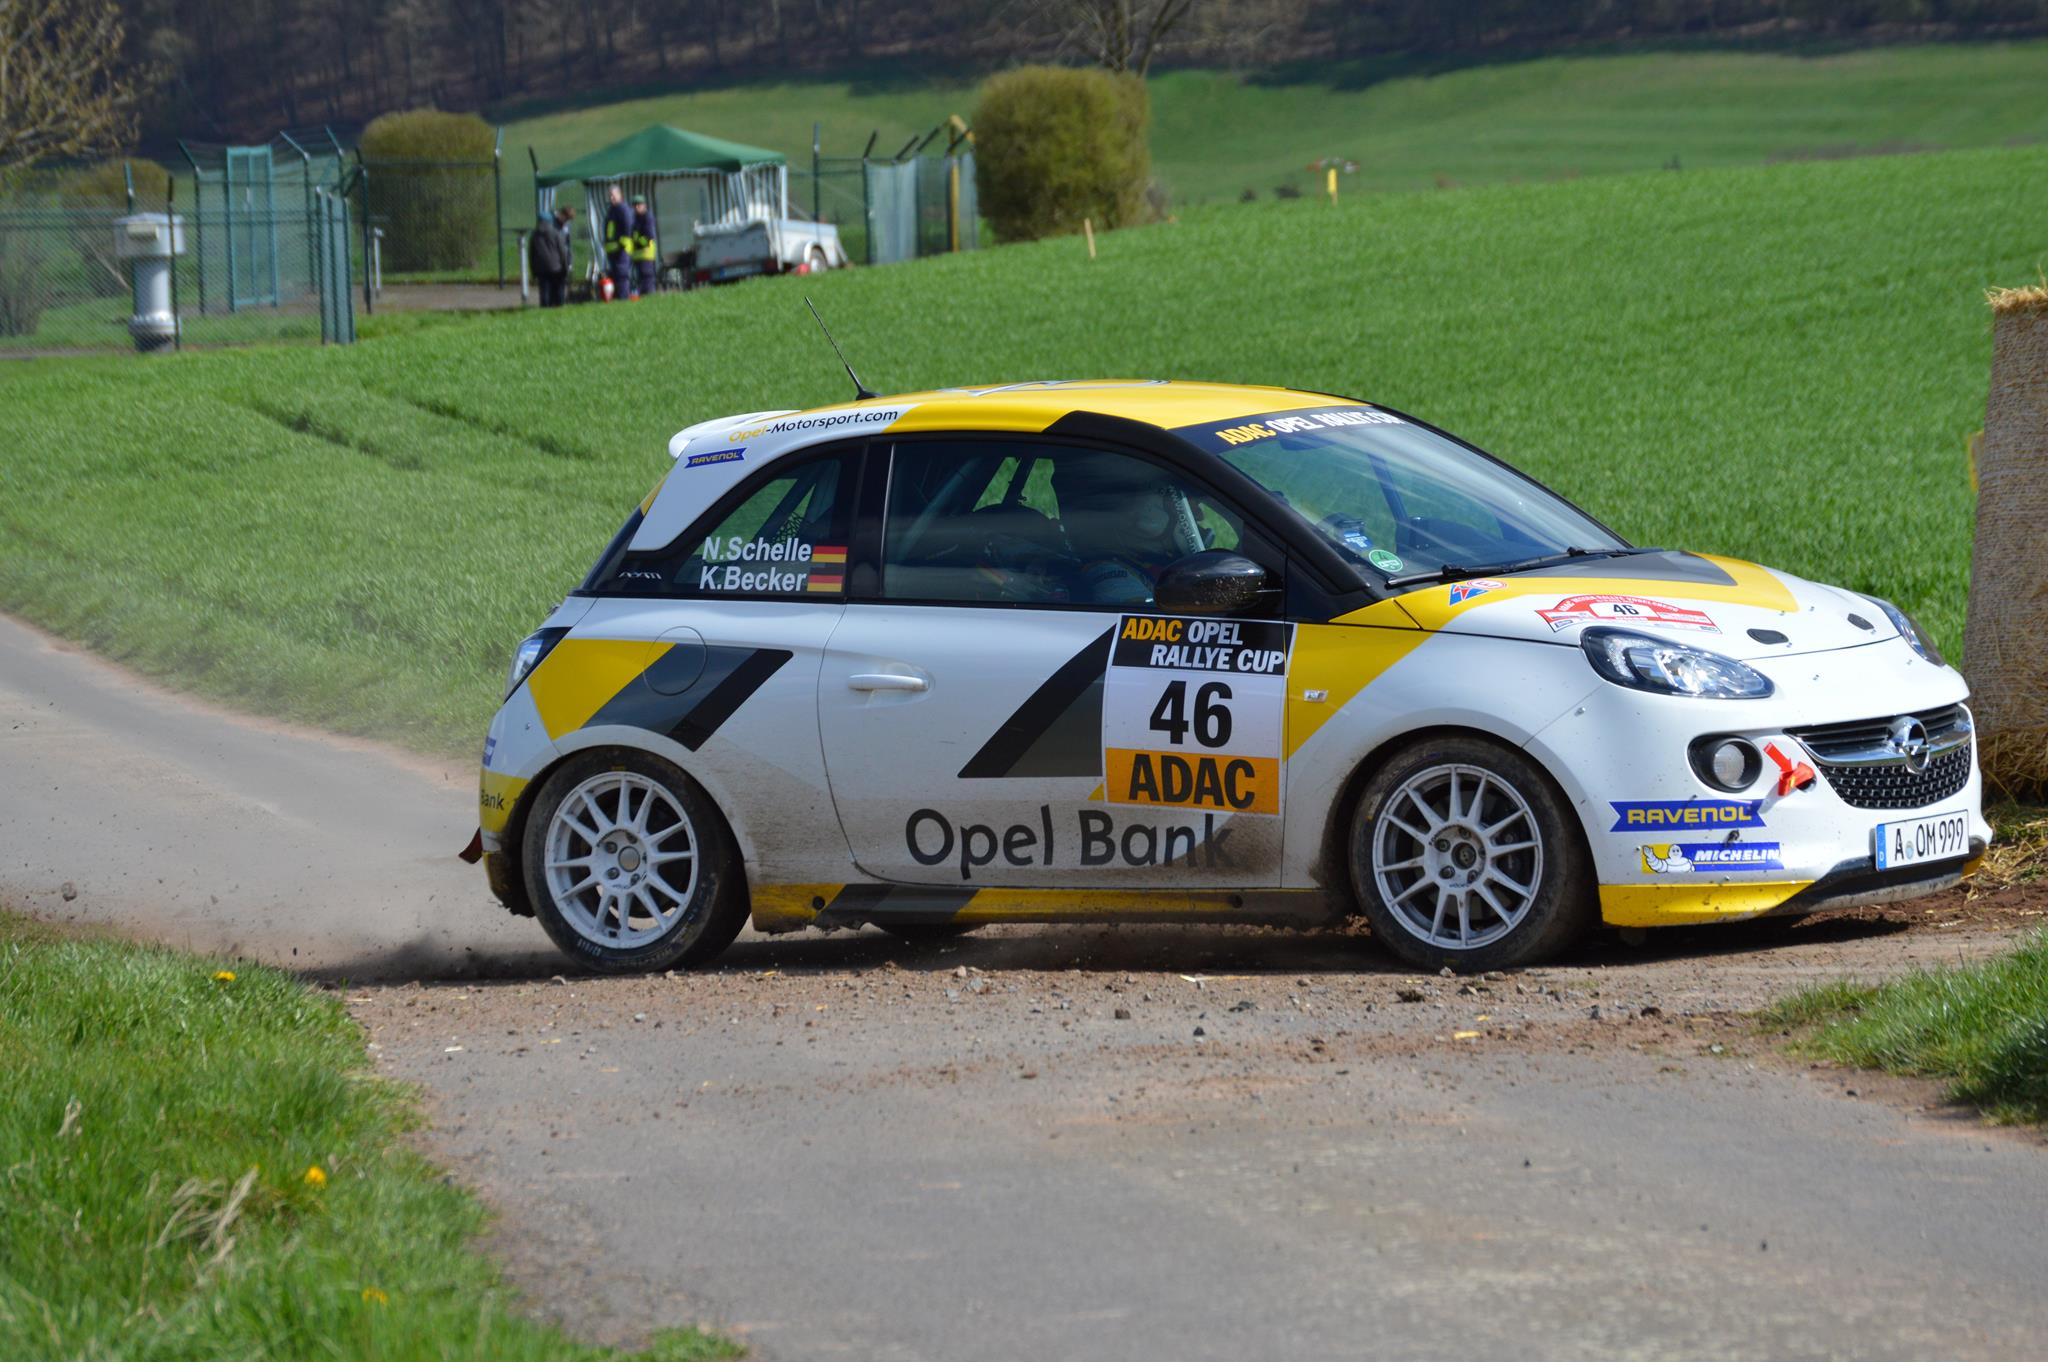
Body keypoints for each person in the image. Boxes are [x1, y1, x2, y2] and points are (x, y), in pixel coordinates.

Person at [528, 209, 568, 308]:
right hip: (556, 267)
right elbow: (562, 251)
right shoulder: (556, 233)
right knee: (558, 290)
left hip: (541, 268)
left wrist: (533, 270)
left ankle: (545, 307)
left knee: (544, 291)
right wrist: (565, 266)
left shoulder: (534, 235)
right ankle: (558, 306)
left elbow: (531, 254)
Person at [602, 184, 635, 300]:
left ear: (620, 195)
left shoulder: (623, 209)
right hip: (613, 250)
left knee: (622, 275)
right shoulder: (611, 210)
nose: (611, 198)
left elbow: (628, 228)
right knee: (615, 276)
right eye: (610, 196)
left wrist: (621, 245)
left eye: (613, 195)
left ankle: (623, 298)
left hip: (621, 250)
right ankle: (618, 299)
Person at [629, 193, 659, 300]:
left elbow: (649, 237)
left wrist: (636, 241)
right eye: (635, 205)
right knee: (641, 281)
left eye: (639, 204)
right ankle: (645, 299)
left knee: (647, 280)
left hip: (646, 254)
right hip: (637, 255)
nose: (636, 207)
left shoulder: (647, 217)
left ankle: (651, 299)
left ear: (644, 205)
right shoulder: (634, 219)